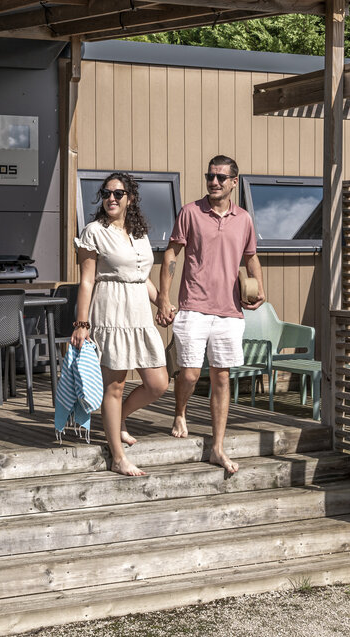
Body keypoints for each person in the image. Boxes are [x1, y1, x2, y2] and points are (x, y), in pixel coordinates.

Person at [156, 154, 264, 474]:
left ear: (233, 182)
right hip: (193, 305)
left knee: (221, 376)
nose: (213, 182)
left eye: (220, 178)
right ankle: (180, 411)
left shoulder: (243, 219)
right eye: (210, 176)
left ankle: (217, 446)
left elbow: (251, 257)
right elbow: (172, 254)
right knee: (189, 374)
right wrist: (163, 297)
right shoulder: (190, 212)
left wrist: (260, 289)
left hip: (230, 311)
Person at [70, 172, 170, 476]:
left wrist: (163, 302)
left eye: (118, 193)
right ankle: (117, 455)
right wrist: (81, 323)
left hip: (138, 313)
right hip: (111, 312)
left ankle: (119, 419)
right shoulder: (93, 232)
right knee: (114, 385)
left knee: (158, 383)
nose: (111, 198)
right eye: (106, 193)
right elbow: (87, 281)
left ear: (131, 198)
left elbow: (142, 277)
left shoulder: (139, 233)